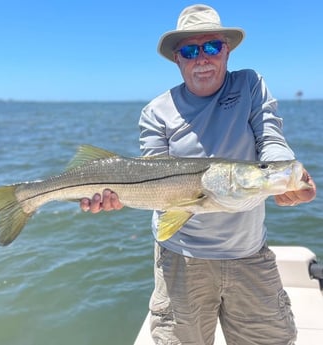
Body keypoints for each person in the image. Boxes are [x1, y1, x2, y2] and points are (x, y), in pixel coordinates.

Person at [81, 4, 316, 345]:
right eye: (190, 50)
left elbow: (270, 139)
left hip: (248, 252)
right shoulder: (156, 112)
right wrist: (115, 197)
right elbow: (155, 179)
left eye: (212, 47)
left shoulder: (250, 84)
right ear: (177, 59)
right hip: (181, 258)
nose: (202, 58)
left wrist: (285, 171)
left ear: (227, 50)